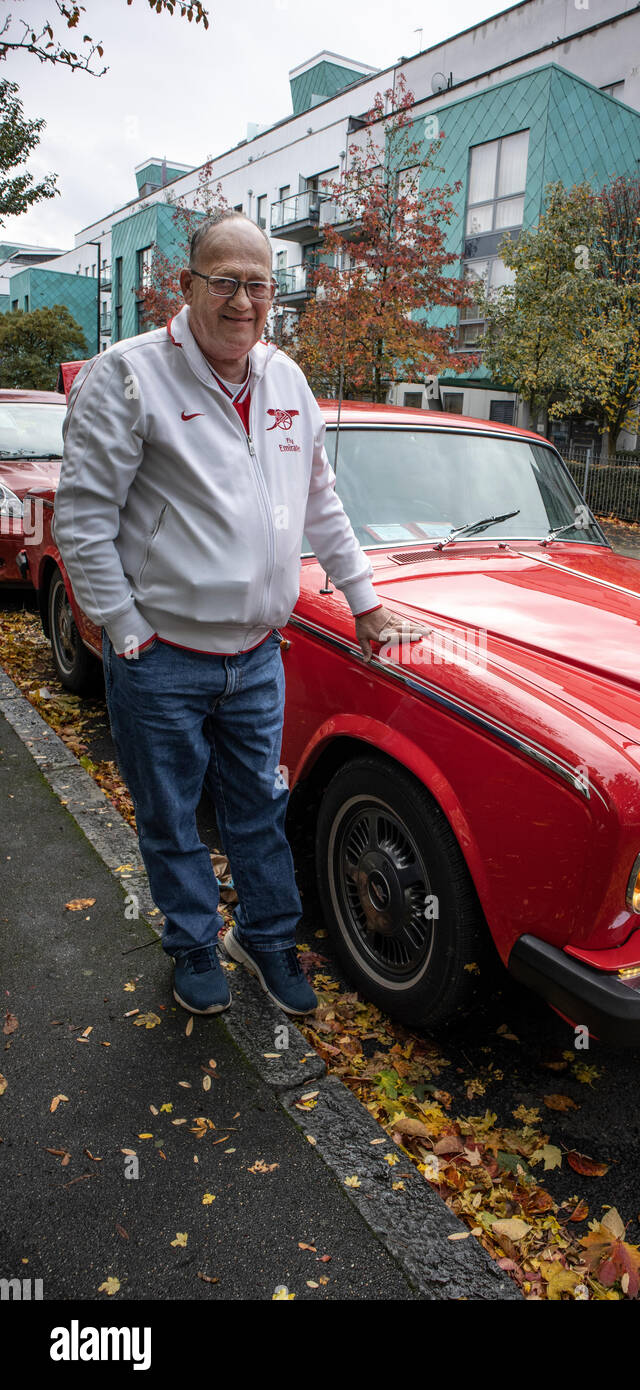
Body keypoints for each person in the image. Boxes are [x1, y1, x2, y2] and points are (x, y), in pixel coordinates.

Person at [53, 210, 426, 1018]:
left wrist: (365, 601)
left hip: (259, 655)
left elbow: (319, 501)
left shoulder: (286, 380)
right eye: (223, 281)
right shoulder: (127, 378)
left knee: (261, 810)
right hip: (162, 658)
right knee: (170, 817)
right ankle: (193, 946)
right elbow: (82, 521)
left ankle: (262, 943)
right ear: (186, 286)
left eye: (258, 284)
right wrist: (128, 633)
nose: (242, 301)